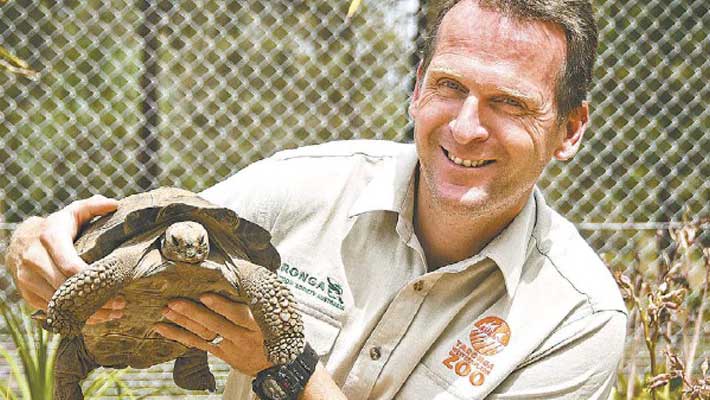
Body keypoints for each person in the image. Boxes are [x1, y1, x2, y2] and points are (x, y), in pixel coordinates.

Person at [4, 0, 627, 398]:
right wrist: (37, 244)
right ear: (416, 90)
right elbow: (155, 239)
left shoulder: (576, 319)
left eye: (509, 102)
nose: (465, 127)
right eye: (449, 86)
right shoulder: (307, 187)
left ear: (570, 129)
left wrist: (285, 366)